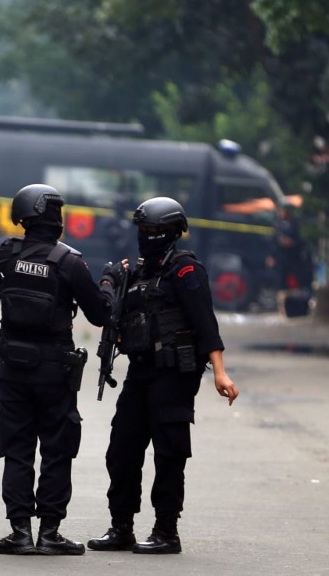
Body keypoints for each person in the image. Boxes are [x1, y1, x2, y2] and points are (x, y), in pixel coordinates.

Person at [87, 196, 239, 555]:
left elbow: (206, 323)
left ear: (169, 233)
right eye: (142, 230)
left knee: (169, 454)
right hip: (140, 373)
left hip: (173, 375)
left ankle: (166, 531)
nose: (145, 237)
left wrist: (220, 371)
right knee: (121, 450)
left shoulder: (185, 270)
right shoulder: (137, 272)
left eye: (152, 231)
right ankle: (121, 527)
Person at [0, 183, 115, 556]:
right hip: (54, 371)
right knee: (57, 450)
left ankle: (20, 532)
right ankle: (50, 534)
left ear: (22, 216)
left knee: (17, 449)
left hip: (12, 368)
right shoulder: (70, 262)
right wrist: (107, 283)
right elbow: (100, 314)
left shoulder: (3, 254)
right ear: (56, 218)